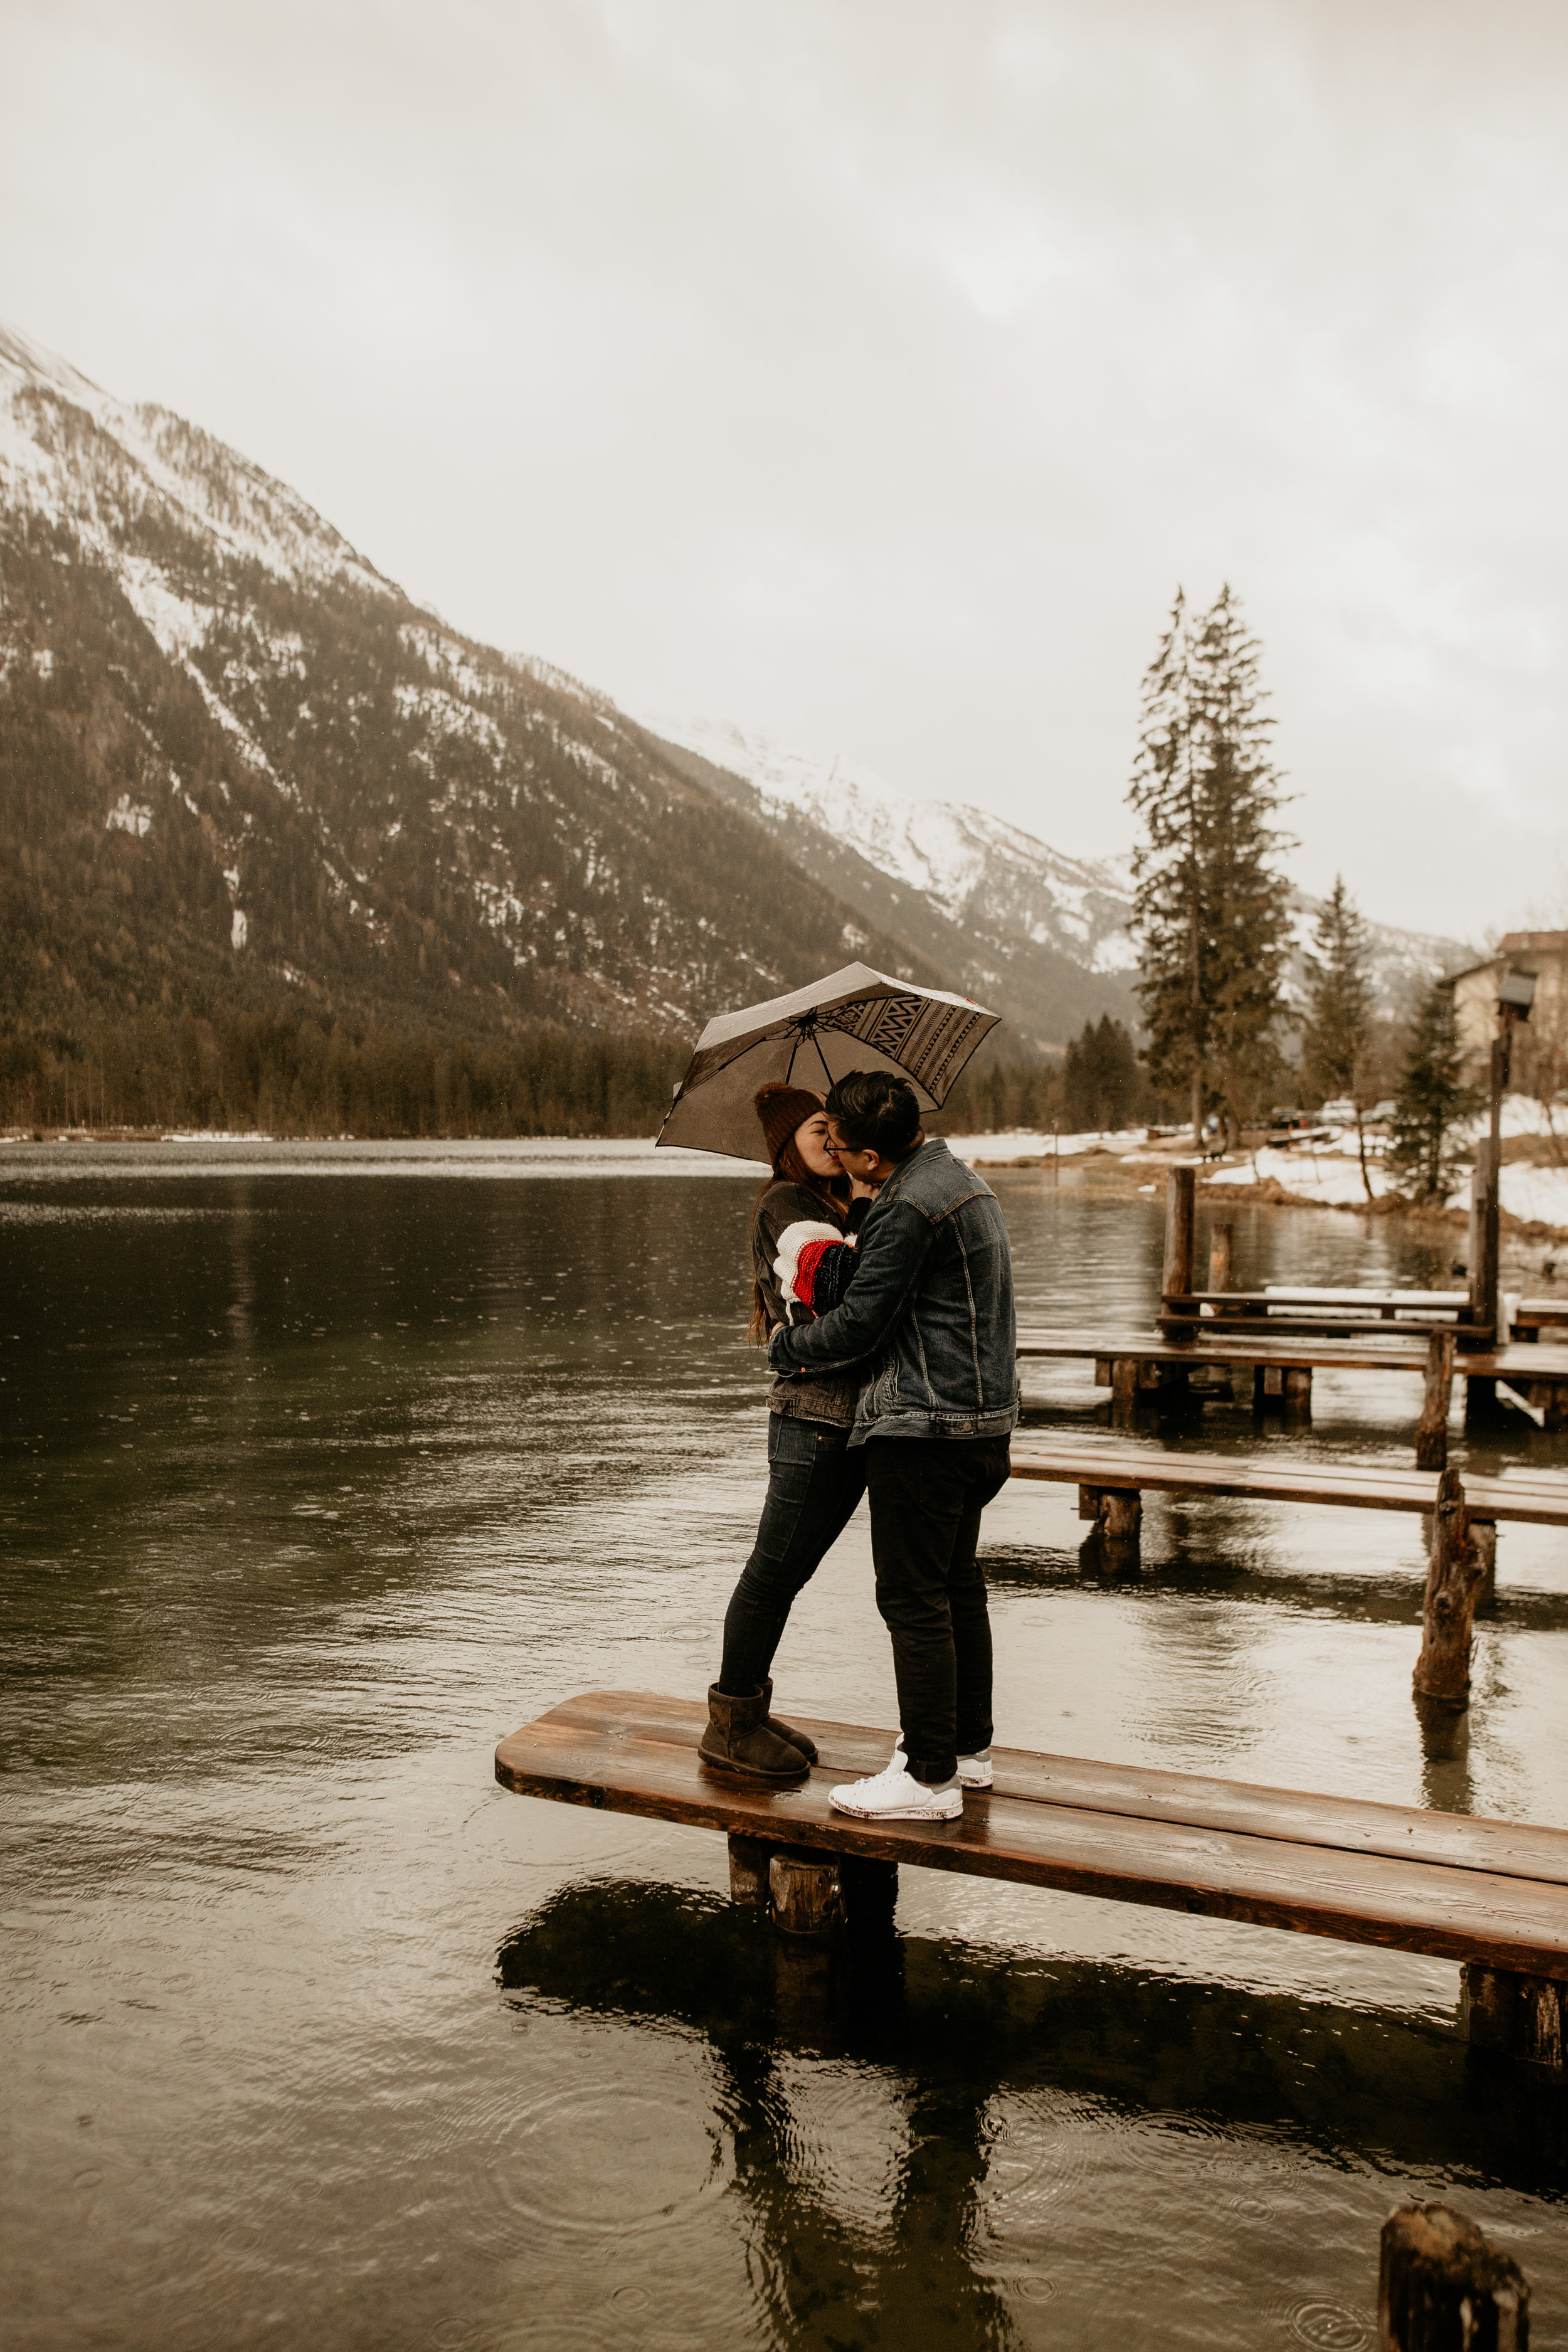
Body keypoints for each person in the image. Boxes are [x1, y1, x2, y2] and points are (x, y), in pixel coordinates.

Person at [766, 1069, 1018, 1823]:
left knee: (910, 1599)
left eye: (840, 1148)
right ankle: (968, 1752)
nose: (834, 1159)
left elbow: (860, 1327)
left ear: (872, 1155)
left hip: (922, 1429)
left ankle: (927, 1776)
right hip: (983, 1426)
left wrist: (788, 1345)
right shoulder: (959, 1181)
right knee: (954, 1587)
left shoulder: (906, 1206)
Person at [698, 1079, 872, 1784]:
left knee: (788, 1573)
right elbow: (834, 1286)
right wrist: (863, 1202)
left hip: (843, 1415)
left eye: (836, 1128)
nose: (832, 1141)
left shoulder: (822, 1204)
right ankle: (731, 1724)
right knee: (772, 1571)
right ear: (787, 1146)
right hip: (814, 1418)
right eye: (816, 1132)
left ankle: (751, 1711)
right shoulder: (786, 1205)